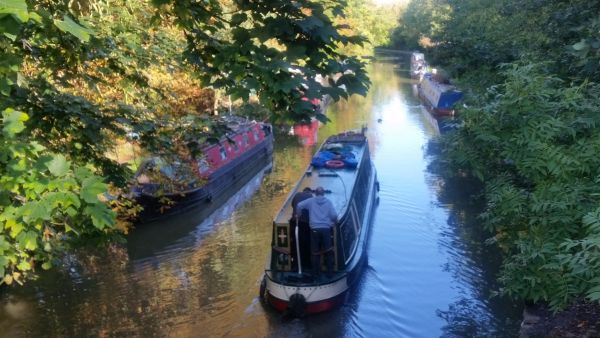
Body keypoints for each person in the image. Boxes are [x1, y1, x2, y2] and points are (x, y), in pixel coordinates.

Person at [296, 186, 337, 277]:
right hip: (326, 229)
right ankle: (329, 273)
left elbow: (299, 205)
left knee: (315, 252)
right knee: (328, 251)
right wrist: (334, 222)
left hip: (314, 229)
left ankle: (315, 274)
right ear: (323, 193)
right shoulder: (329, 202)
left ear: (315, 194)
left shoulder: (311, 201)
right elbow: (334, 215)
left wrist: (299, 215)